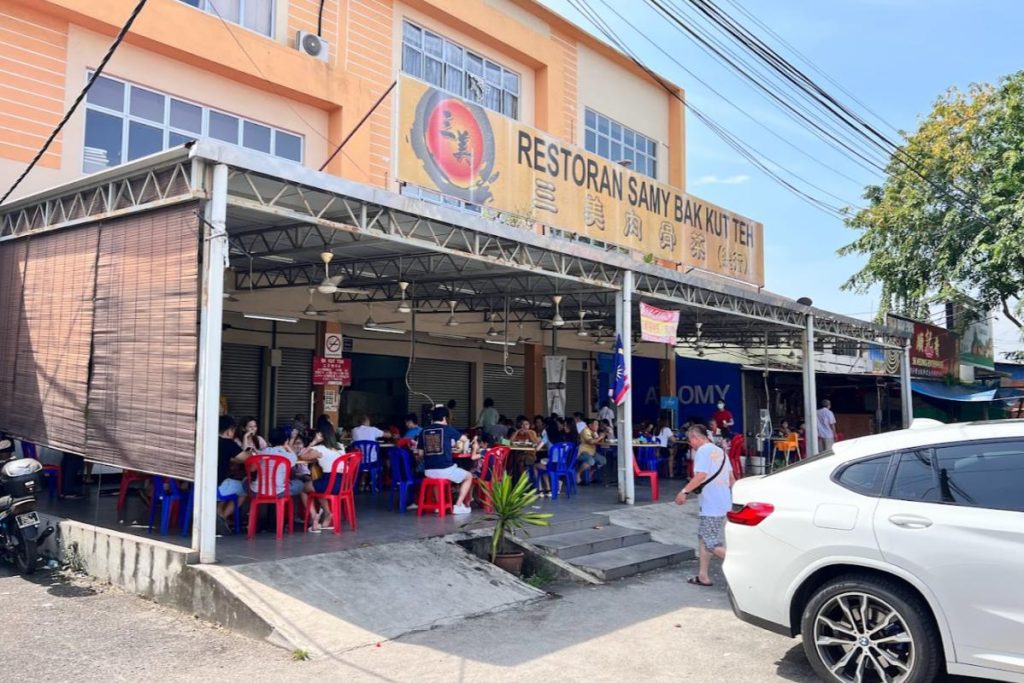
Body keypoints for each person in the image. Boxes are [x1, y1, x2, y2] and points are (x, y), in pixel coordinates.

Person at [675, 424, 734, 587]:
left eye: (690, 440)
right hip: (723, 502)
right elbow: (731, 479)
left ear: (696, 437)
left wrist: (684, 491)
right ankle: (703, 575)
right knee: (703, 537)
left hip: (711, 504)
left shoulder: (702, 451)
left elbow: (701, 475)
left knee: (710, 542)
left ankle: (742, 564)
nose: (690, 444)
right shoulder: (720, 451)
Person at [416, 406, 478, 515]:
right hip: (445, 469)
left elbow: (420, 454)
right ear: (444, 417)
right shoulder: (447, 429)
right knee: (469, 476)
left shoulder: (423, 431)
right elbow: (465, 439)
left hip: (429, 471)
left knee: (436, 479)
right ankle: (458, 505)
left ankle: (438, 505)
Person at [298, 420, 345, 532]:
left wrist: (313, 442)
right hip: (343, 484)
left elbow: (302, 455)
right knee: (316, 486)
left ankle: (314, 516)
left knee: (302, 488)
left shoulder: (320, 449)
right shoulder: (341, 446)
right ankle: (328, 514)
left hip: (329, 483)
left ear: (320, 434)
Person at [216, 414, 249, 531]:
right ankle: (222, 517)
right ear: (230, 430)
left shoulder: (210, 441)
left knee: (230, 483)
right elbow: (246, 458)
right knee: (245, 489)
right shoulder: (228, 444)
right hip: (217, 487)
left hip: (200, 487)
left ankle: (219, 514)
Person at [577, 418, 607, 483]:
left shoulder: (594, 432)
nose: (597, 426)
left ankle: (591, 472)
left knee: (603, 460)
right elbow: (591, 442)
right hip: (583, 452)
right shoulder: (585, 431)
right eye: (595, 425)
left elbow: (598, 441)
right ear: (590, 425)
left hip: (592, 452)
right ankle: (578, 474)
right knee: (591, 461)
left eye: (598, 425)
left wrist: (602, 436)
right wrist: (600, 437)